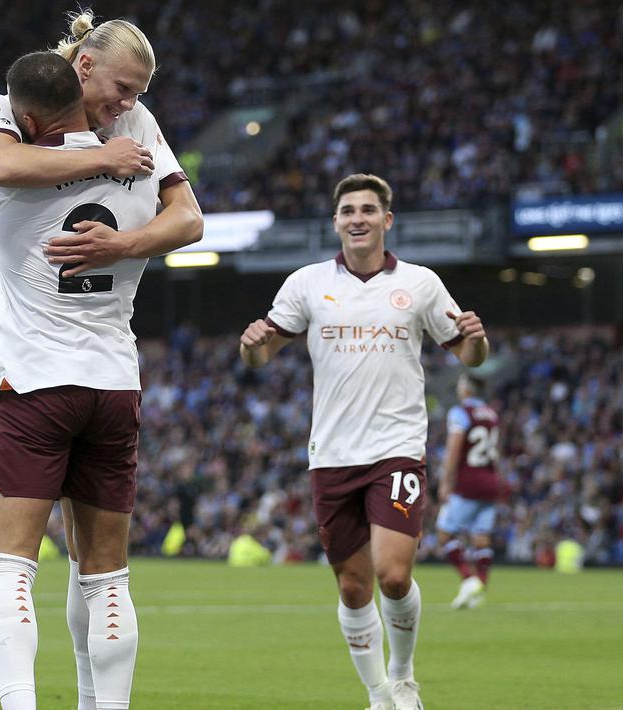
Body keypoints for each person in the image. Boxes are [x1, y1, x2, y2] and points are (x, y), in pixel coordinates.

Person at [0, 10, 203, 709]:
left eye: (138, 93)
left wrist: (121, 243)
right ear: (82, 66)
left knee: (0, 561)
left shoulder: (133, 124)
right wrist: (103, 160)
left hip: (26, 370)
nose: (129, 104)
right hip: (69, 367)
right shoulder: (6, 109)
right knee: (93, 574)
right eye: (122, 88)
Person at [239, 174, 489, 710]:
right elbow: (262, 356)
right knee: (353, 589)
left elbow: (468, 356)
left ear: (386, 220)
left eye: (369, 210)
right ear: (336, 222)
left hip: (397, 447)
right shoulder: (306, 283)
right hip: (331, 455)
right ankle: (378, 695)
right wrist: (252, 347)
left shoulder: (420, 283)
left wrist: (476, 340)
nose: (358, 218)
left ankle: (402, 676)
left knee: (393, 574)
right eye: (348, 210)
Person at [435, 373, 502, 610]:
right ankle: (480, 588)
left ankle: (469, 579)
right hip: (490, 480)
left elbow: (454, 450)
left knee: (444, 533)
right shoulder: (491, 414)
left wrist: (445, 481)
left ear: (467, 389)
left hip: (468, 481)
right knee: (481, 537)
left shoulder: (460, 413)